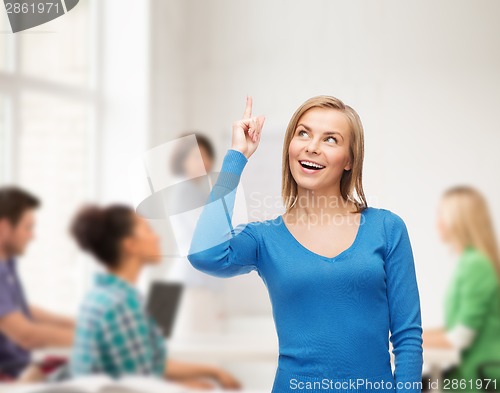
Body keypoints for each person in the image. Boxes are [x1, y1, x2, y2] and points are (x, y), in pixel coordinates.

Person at [187, 95, 423, 392]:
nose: (312, 146)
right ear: (290, 146)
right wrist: (237, 156)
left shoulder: (387, 228)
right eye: (303, 133)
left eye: (331, 140)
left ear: (350, 159)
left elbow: (407, 337)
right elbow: (205, 254)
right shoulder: (265, 238)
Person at [69, 204, 242, 390]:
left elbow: (147, 365)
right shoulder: (120, 304)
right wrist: (187, 387)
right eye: (147, 230)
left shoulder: (107, 295)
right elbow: (137, 382)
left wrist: (210, 372)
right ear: (130, 245)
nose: (157, 237)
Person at [422, 186, 500, 393]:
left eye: (442, 214)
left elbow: (459, 337)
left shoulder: (476, 265)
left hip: (479, 378)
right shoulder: (469, 262)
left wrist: (404, 341)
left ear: (459, 221)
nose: (437, 222)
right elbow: (453, 327)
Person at [0, 186, 74, 381]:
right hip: (9, 378)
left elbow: (20, 311)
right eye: (28, 227)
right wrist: (93, 339)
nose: (32, 236)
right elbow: (26, 336)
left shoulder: (7, 264)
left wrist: (77, 323)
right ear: (5, 227)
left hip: (21, 369)